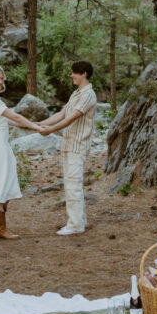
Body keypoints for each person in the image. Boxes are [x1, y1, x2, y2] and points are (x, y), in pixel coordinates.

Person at [0, 64, 43, 240]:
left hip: (1, 143)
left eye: (2, 79)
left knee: (8, 181)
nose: (0, 82)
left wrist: (34, 127)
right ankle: (0, 228)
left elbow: (9, 121)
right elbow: (14, 116)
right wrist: (33, 125)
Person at [39, 60, 97, 236]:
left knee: (73, 185)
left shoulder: (88, 95)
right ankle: (80, 220)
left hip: (77, 146)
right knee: (70, 184)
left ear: (84, 73)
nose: (72, 75)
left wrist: (51, 130)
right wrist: (39, 124)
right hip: (68, 145)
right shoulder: (76, 93)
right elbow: (61, 114)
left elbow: (72, 117)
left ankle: (75, 225)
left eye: (74, 73)